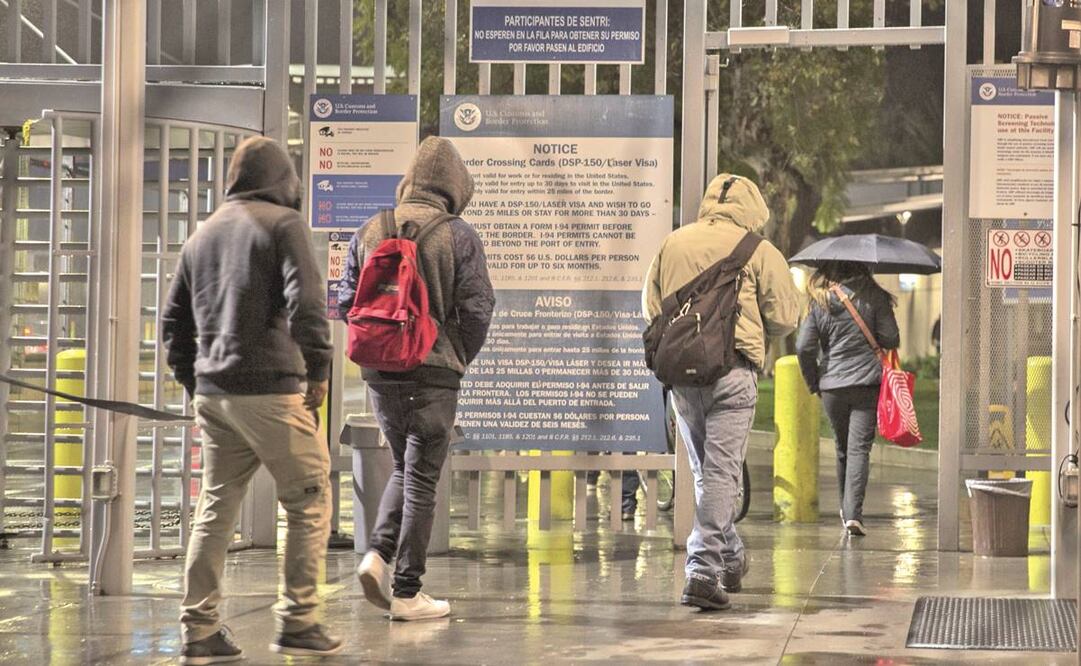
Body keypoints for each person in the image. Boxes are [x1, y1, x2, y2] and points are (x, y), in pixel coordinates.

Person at [162, 136, 341, 663]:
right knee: (309, 498)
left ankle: (199, 630)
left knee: (215, 509)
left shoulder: (203, 234)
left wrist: (196, 383)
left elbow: (174, 322)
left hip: (215, 395)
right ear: (285, 177)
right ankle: (300, 620)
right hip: (271, 390)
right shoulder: (283, 225)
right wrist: (320, 371)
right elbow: (308, 304)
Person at [337, 136, 495, 620]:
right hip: (434, 373)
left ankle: (378, 555)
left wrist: (382, 346)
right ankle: (407, 591)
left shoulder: (370, 228)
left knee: (405, 467)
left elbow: (346, 301)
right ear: (454, 187)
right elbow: (479, 308)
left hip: (380, 374)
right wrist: (455, 354)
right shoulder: (458, 234)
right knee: (422, 476)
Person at [643, 173, 799, 611]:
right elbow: (785, 317)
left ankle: (730, 556)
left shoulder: (673, 243)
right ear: (753, 210)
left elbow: (650, 307)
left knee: (706, 473)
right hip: (732, 372)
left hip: (682, 378)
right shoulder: (758, 251)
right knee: (721, 474)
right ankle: (703, 570)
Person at [795, 260, 900, 537]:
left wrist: (814, 381)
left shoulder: (820, 301)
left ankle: (847, 511)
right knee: (858, 450)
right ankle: (853, 513)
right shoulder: (875, 296)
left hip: (832, 385)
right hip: (866, 382)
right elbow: (891, 337)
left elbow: (804, 347)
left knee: (842, 448)